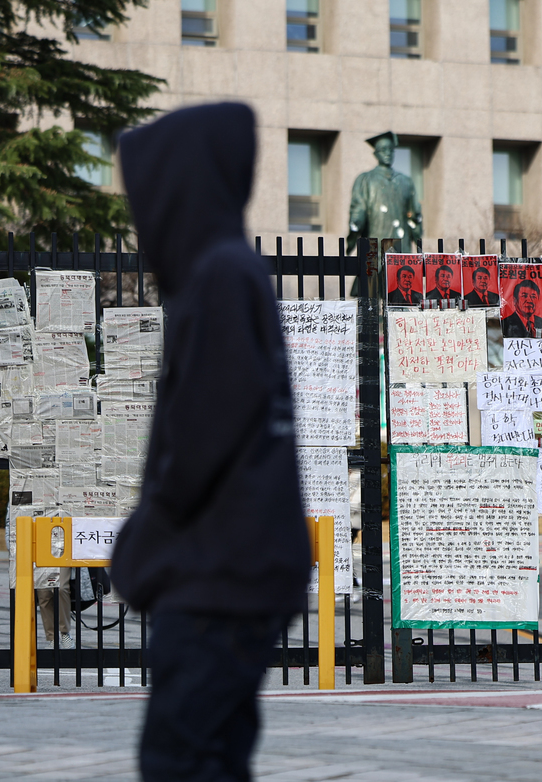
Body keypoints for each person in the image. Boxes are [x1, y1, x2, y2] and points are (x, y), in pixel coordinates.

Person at [112, 103, 311, 782]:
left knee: (178, 760)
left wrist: (148, 534)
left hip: (216, 582)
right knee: (215, 761)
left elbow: (208, 423)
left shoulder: (221, 278)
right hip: (238, 574)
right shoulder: (234, 272)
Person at [346, 131, 422, 250]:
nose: (388, 153)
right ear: (375, 153)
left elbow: (414, 212)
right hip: (374, 241)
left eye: (391, 150)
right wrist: (355, 226)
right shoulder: (365, 179)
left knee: (401, 268)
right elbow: (358, 208)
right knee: (374, 267)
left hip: (401, 242)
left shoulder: (405, 181)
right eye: (383, 149)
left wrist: (417, 230)